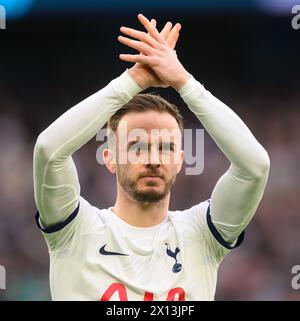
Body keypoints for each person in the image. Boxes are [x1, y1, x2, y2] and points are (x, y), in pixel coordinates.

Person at [33, 14, 270, 301]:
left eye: (166, 148)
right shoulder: (74, 230)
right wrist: (132, 81)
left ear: (180, 159)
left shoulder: (201, 236)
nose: (153, 159)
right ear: (109, 158)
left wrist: (185, 82)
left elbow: (254, 167)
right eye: (137, 146)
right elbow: (49, 150)